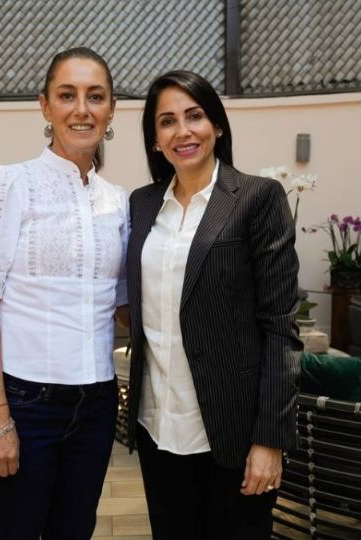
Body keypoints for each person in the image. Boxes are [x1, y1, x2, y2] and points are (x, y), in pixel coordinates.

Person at [126, 70, 302, 539]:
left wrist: (270, 440)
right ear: (154, 140)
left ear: (217, 126)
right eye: (166, 122)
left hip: (233, 430)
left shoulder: (257, 198)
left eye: (194, 116)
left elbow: (281, 328)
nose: (182, 131)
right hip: (157, 422)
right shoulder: (141, 206)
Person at [0, 47, 128, 540]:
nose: (82, 109)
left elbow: (121, 308)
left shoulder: (118, 201)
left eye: (95, 96)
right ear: (45, 106)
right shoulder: (9, 183)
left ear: (111, 109)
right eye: (67, 95)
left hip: (98, 402)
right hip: (24, 403)